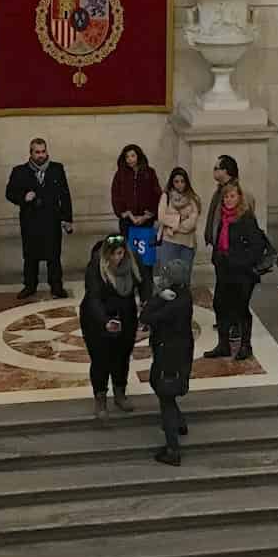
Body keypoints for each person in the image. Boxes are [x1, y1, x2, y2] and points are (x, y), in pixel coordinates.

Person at [80, 235, 142, 418]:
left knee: (122, 357)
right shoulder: (95, 268)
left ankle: (120, 392)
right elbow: (93, 298)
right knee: (101, 360)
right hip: (97, 321)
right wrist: (105, 321)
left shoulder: (132, 263)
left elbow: (144, 283)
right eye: (114, 254)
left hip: (126, 317)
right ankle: (100, 398)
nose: (118, 258)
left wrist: (146, 303)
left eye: (121, 253)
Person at [6, 137, 74, 298]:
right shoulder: (19, 171)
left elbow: (65, 195)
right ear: (31, 153)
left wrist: (67, 219)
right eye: (37, 152)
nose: (41, 155)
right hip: (30, 220)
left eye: (43, 151)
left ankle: (56, 286)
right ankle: (30, 285)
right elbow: (9, 193)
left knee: (54, 255)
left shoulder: (57, 169)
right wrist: (23, 197)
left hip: (52, 219)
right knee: (30, 255)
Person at [209, 181, 268, 362]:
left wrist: (241, 261)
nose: (228, 200)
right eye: (226, 197)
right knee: (220, 304)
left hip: (242, 272)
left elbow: (258, 245)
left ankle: (245, 345)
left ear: (239, 198)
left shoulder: (246, 218)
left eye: (232, 196)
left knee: (240, 308)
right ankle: (223, 345)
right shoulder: (222, 218)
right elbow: (218, 241)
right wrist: (217, 259)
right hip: (224, 269)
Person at [141, 269, 194, 465]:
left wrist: (157, 297)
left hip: (169, 355)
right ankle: (179, 423)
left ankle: (172, 450)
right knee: (161, 386)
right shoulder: (185, 295)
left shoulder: (173, 303)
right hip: (180, 352)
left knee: (166, 396)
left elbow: (146, 317)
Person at [156, 166, 202, 288]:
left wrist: (173, 227)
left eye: (182, 181)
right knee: (167, 276)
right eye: (176, 181)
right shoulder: (165, 197)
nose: (179, 184)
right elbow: (161, 217)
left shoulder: (194, 198)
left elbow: (192, 223)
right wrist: (179, 219)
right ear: (172, 182)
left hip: (187, 243)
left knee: (184, 279)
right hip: (169, 241)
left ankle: (182, 304)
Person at [112, 144, 162, 246]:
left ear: (138, 156)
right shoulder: (120, 174)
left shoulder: (149, 172)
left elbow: (156, 194)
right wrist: (128, 214)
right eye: (127, 157)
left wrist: (146, 216)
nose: (130, 159)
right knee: (128, 251)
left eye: (132, 156)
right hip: (127, 220)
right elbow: (115, 195)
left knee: (145, 253)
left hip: (146, 219)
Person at [203, 154, 239, 251]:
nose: (213, 171)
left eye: (216, 168)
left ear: (225, 171)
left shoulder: (237, 193)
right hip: (219, 245)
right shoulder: (219, 191)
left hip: (231, 246)